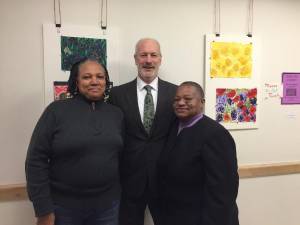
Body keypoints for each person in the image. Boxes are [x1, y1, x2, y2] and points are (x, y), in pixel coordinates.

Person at [25, 58, 124, 225]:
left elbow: (122, 157)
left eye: (100, 76)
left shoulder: (117, 114)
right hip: (64, 209)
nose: (94, 81)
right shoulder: (56, 111)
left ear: (106, 81)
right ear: (76, 82)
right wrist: (43, 209)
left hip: (107, 207)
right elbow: (35, 160)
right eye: (87, 77)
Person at [108, 38, 177, 225]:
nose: (148, 60)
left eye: (153, 55)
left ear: (160, 59)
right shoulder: (117, 95)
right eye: (143, 55)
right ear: (135, 59)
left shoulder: (176, 93)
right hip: (128, 180)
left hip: (165, 179)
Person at [158, 81, 239, 225]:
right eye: (176, 99)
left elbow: (223, 191)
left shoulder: (216, 135)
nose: (181, 103)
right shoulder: (173, 127)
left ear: (202, 102)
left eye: (188, 99)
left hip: (203, 218)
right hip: (175, 215)